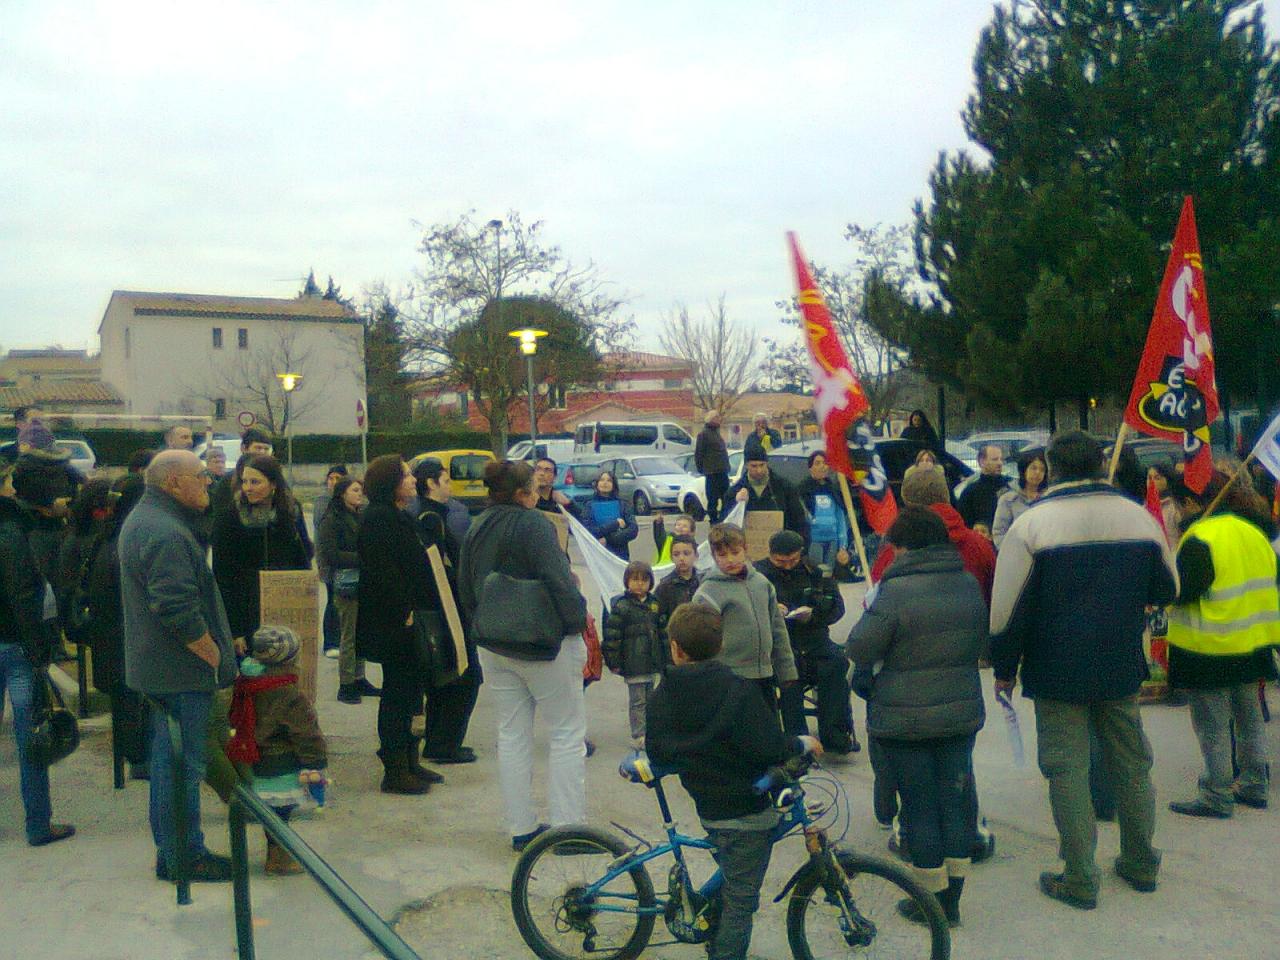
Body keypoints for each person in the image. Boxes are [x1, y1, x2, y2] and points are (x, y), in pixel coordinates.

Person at [990, 430, 1176, 910]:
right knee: (1132, 763)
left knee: (1066, 768)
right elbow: (1167, 587)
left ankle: (1079, 876)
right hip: (1120, 663)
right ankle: (1140, 863)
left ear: (1051, 467)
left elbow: (1005, 611)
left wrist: (1005, 667)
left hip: (1056, 669)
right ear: (1100, 463)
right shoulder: (1139, 518)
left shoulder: (1032, 525)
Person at [646, 603, 821, 960]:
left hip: (707, 804)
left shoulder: (663, 693)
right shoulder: (737, 690)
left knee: (732, 872)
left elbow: (659, 752)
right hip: (743, 808)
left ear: (675, 648)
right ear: (720, 646)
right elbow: (768, 746)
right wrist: (801, 743)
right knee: (741, 903)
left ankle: (712, 921)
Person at [848, 507, 986, 927]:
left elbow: (859, 647)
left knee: (920, 808)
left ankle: (933, 902)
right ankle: (955, 899)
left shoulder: (897, 590)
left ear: (903, 547)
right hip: (960, 713)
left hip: (905, 720)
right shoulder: (967, 583)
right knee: (955, 804)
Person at [120, 451, 237, 882]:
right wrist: (210, 652)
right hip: (179, 671)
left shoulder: (152, 520)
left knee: (169, 762)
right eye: (201, 476)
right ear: (173, 483)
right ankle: (185, 857)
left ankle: (173, 852)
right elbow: (174, 605)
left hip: (165, 669)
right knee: (183, 767)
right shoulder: (164, 530)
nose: (209, 482)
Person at [459, 460, 589, 850]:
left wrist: (481, 622)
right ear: (521, 494)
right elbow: (560, 580)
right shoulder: (534, 524)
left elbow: (464, 583)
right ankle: (567, 830)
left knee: (512, 735)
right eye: (534, 485)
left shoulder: (477, 522)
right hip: (543, 644)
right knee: (567, 732)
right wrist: (577, 622)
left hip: (493, 643)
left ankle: (521, 829)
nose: (538, 490)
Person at [1165, 470, 1278, 817]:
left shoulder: (1200, 538)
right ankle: (1254, 784)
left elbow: (1182, 592)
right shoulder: (1253, 532)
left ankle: (1216, 793)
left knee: (1213, 726)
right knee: (1249, 719)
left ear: (1189, 502)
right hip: (1252, 645)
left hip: (1209, 649)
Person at [356, 455, 444, 795]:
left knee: (411, 693)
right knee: (396, 693)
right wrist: (404, 609)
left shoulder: (398, 514)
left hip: (409, 616)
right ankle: (394, 769)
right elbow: (383, 570)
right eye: (406, 475)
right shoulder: (378, 518)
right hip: (393, 620)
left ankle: (410, 760)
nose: (412, 480)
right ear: (390, 482)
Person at [0, 461, 75, 847]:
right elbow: (22, 591)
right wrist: (39, 647)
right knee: (32, 734)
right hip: (13, 642)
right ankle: (38, 823)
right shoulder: (12, 529)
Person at [226, 626, 327, 876]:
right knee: (280, 813)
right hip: (281, 762)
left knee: (272, 812)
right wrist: (316, 760)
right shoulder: (287, 693)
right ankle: (278, 858)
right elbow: (305, 732)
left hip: (255, 758)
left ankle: (278, 854)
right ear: (290, 659)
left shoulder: (249, 679)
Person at [756, 529, 856, 756]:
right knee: (789, 675)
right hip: (779, 644)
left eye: (793, 560)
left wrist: (814, 615)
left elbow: (836, 608)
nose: (788, 566)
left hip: (814, 638)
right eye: (781, 562)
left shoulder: (816, 572)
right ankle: (797, 740)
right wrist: (771, 610)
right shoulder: (758, 575)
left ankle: (836, 735)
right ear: (771, 555)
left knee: (837, 665)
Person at [413, 457, 482, 765]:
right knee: (464, 677)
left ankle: (440, 741)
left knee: (448, 679)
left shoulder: (435, 515)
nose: (450, 485)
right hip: (446, 610)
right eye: (445, 479)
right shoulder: (430, 518)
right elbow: (438, 569)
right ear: (431, 484)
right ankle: (444, 744)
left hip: (446, 607)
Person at [83, 476, 150, 781]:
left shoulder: (108, 537)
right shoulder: (129, 542)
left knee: (127, 702)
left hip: (113, 640)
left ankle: (134, 756)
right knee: (134, 702)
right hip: (126, 639)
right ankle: (139, 758)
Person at [693, 523, 797, 715]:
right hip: (728, 677)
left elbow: (777, 628)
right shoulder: (708, 593)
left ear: (745, 550)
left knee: (766, 732)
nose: (730, 559)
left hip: (764, 674)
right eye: (722, 555)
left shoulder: (762, 584)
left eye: (735, 552)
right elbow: (701, 641)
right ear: (714, 557)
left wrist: (786, 669)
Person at [211, 454, 311, 651]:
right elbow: (223, 575)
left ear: (273, 484)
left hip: (284, 606)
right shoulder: (230, 516)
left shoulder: (291, 512)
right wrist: (235, 630)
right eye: (245, 481)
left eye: (255, 482)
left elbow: (303, 559)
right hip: (246, 611)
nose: (248, 487)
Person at [872, 465, 995, 606]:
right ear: (947, 496)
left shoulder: (893, 552)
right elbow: (997, 599)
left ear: (906, 502)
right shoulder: (981, 546)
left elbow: (876, 604)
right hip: (974, 624)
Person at [318, 476, 376, 704]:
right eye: (355, 490)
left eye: (361, 490)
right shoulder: (331, 519)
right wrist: (363, 558)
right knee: (348, 635)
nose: (359, 493)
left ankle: (360, 678)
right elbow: (330, 554)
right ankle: (346, 684)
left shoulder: (358, 515)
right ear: (342, 493)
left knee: (360, 631)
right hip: (345, 583)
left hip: (362, 581)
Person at [603, 560, 666, 748]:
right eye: (635, 579)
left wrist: (666, 657)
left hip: (652, 662)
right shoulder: (621, 606)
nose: (639, 584)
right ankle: (639, 734)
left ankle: (651, 731)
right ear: (627, 582)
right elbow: (612, 636)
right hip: (633, 663)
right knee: (638, 701)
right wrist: (613, 661)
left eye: (644, 580)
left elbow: (663, 632)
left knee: (652, 699)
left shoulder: (655, 604)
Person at [729, 450, 810, 541]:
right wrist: (736, 503)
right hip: (748, 549)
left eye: (762, 465)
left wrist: (801, 547)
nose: (759, 470)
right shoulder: (735, 491)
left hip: (781, 549)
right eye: (754, 466)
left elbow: (798, 520)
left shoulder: (784, 487)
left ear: (767, 463)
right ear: (747, 465)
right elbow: (726, 525)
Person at [314, 464, 349, 659]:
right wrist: (321, 564)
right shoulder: (322, 501)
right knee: (333, 602)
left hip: (345, 563)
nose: (333, 482)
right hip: (329, 562)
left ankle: (344, 641)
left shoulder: (351, 500)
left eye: (338, 478)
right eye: (331, 478)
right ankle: (330, 642)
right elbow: (320, 537)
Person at [797, 451, 851, 572]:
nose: (822, 466)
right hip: (813, 541)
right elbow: (800, 518)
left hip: (832, 540)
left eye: (825, 463)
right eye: (817, 463)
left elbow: (841, 519)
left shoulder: (833, 489)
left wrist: (843, 546)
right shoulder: (803, 490)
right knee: (817, 573)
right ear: (810, 467)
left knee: (829, 573)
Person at [992, 449, 1048, 549]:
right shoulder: (1008, 499)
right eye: (1033, 468)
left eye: (1042, 469)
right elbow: (999, 533)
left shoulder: (1049, 498)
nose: (1037, 472)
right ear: (1024, 470)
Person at [414, 457, 473, 548]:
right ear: (431, 484)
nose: (450, 487)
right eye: (446, 482)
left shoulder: (426, 512)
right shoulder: (431, 519)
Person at [583, 470, 638, 560]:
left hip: (621, 556)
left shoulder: (623, 504)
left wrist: (608, 540)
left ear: (614, 485)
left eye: (609, 480)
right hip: (598, 555)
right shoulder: (589, 505)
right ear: (597, 484)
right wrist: (615, 524)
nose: (605, 483)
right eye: (602, 480)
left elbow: (633, 530)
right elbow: (588, 531)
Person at [956, 444, 1011, 532]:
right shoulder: (970, 492)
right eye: (995, 459)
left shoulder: (1011, 485)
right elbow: (965, 526)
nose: (1000, 463)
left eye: (1001, 459)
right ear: (982, 462)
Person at [654, 534, 702, 621]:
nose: (681, 558)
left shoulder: (703, 582)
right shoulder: (665, 586)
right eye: (676, 554)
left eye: (686, 553)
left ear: (696, 555)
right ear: (671, 557)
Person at [695, 410, 732, 523]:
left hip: (722, 471)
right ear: (711, 419)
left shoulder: (717, 433)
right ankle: (713, 519)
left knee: (727, 497)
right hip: (712, 472)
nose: (719, 420)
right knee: (712, 499)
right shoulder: (704, 434)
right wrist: (701, 469)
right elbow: (699, 453)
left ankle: (725, 518)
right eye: (717, 418)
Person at [1147, 463, 1181, 546]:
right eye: (1149, 478)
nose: (1151, 482)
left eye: (1157, 478)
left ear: (1168, 481)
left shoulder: (1176, 507)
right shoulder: (1143, 508)